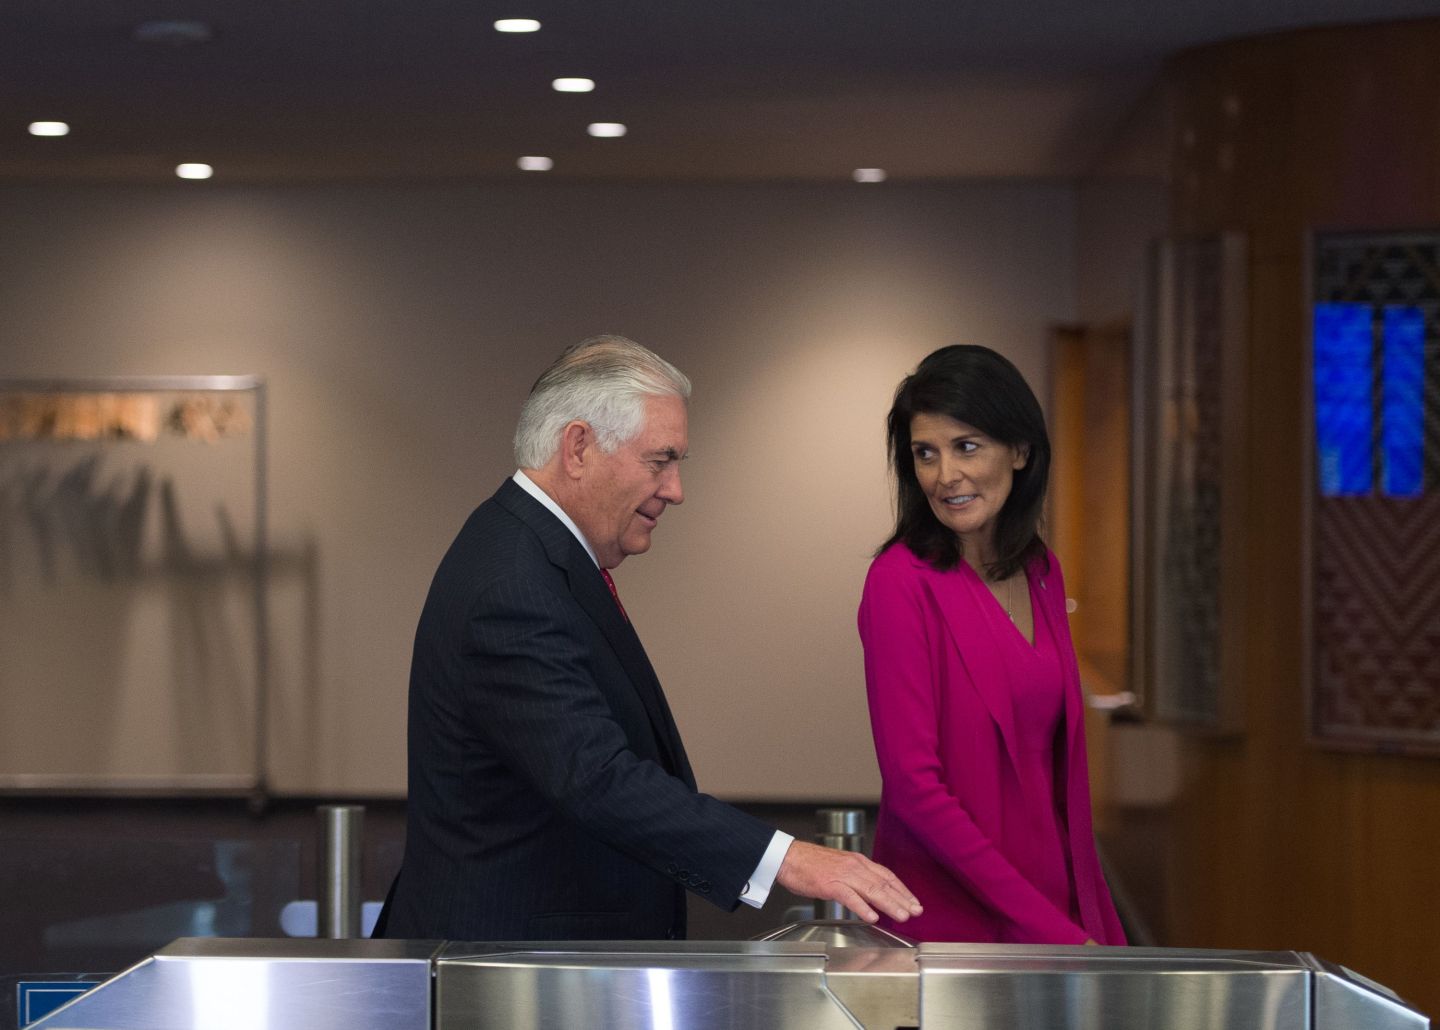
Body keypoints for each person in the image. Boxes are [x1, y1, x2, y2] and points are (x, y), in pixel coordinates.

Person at [377, 334, 921, 941]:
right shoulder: (512, 583)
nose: (675, 489)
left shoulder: (532, 553)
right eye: (659, 461)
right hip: (509, 972)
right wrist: (788, 858)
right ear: (578, 447)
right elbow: (596, 777)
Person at [857, 344, 1125, 946]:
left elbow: (1060, 777)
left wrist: (1088, 920)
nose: (944, 475)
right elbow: (914, 787)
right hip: (949, 918)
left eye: (967, 446)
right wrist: (1045, 927)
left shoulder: (1042, 572)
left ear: (1021, 450)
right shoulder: (899, 582)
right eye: (925, 453)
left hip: (1055, 903)